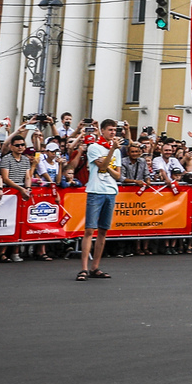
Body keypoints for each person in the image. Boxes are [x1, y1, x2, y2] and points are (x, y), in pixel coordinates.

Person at [78, 119, 122, 280]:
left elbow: (117, 175)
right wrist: (111, 152)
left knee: (103, 230)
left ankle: (95, 267)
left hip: (110, 191)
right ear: (102, 131)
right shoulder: (94, 147)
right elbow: (102, 166)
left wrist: (111, 156)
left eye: (114, 130)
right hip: (96, 190)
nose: (113, 133)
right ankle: (83, 268)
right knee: (89, 230)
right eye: (110, 130)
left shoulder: (116, 150)